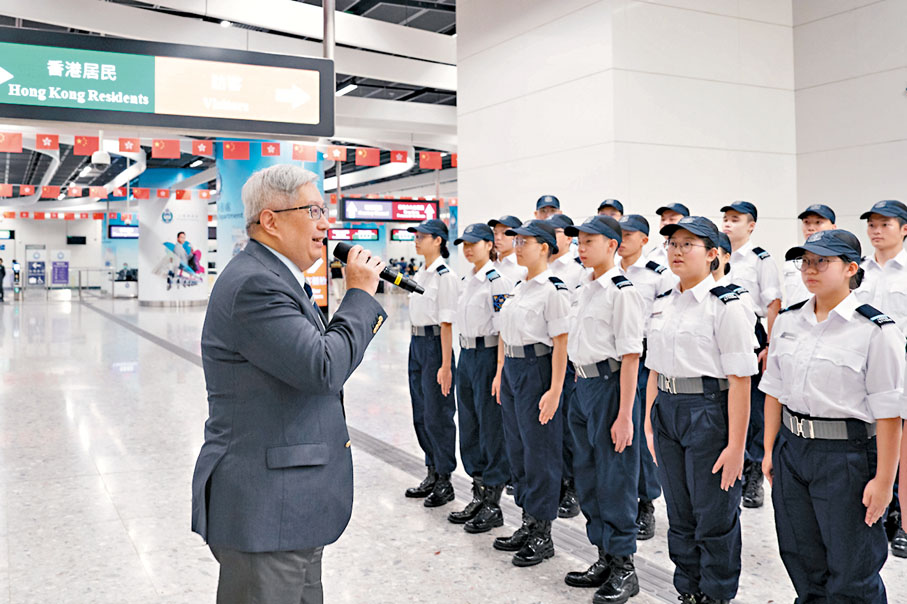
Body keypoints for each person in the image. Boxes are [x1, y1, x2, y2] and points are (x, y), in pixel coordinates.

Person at [190, 164, 387, 604]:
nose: (325, 222)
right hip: (265, 506)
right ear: (271, 220)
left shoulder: (277, 278)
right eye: (313, 209)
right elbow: (322, 368)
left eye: (326, 209)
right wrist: (359, 296)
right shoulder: (256, 284)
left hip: (292, 503)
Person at [761, 228, 905, 602]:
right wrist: (769, 451)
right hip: (792, 451)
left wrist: (885, 483)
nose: (810, 269)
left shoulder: (876, 330)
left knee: (852, 568)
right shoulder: (789, 322)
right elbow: (774, 390)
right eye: (806, 261)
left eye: (822, 261)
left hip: (847, 457)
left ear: (850, 268)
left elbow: (890, 415)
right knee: (801, 557)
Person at [643, 216, 757, 604]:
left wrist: (736, 446)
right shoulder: (663, 302)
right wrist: (647, 422)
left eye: (687, 244)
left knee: (714, 513)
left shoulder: (726, 304)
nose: (676, 251)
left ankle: (717, 593)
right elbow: (653, 369)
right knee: (679, 511)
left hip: (708, 411)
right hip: (668, 409)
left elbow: (740, 380)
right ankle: (688, 589)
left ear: (712, 254)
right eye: (672, 243)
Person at [563, 216, 644, 603]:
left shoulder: (621, 291)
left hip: (611, 388)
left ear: (612, 245)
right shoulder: (584, 287)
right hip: (582, 386)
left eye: (589, 241)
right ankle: (605, 557)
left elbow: (631, 356)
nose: (581, 247)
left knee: (615, 479)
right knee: (588, 477)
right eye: (579, 241)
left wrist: (625, 414)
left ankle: (626, 569)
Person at [491, 219, 571, 567]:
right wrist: (501, 374)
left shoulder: (553, 289)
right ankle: (528, 521)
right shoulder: (520, 286)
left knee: (540, 452)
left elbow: (561, 344)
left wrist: (555, 389)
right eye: (516, 240)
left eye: (525, 241)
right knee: (519, 450)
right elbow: (505, 334)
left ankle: (543, 533)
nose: (518, 246)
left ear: (544, 247)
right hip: (512, 370)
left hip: (538, 371)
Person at [616, 214, 678, 541]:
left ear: (644, 239)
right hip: (611, 360)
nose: (622, 239)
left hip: (643, 358)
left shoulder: (657, 276)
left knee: (641, 432)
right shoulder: (607, 273)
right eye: (619, 234)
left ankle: (645, 502)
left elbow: (663, 322)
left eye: (629, 234)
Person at [449, 223, 513, 534]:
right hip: (466, 356)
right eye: (465, 244)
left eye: (475, 243)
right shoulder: (466, 281)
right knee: (470, 424)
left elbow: (503, 330)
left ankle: (493, 502)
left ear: (490, 245)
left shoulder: (495, 282)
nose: (469, 249)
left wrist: (500, 370)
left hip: (488, 357)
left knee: (490, 427)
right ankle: (478, 492)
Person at [721, 200, 782, 509]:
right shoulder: (717, 253)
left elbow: (773, 303)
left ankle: (753, 470)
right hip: (720, 334)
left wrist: (770, 345)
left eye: (735, 219)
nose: (728, 224)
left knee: (755, 405)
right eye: (726, 218)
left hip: (752, 333)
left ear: (751, 225)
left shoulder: (759, 259)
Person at [855, 199, 907, 557]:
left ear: (904, 229)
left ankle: (903, 519)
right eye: (872, 224)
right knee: (875, 440)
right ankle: (882, 507)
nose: (875, 230)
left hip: (904, 362)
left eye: (885, 224)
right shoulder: (858, 270)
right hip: (864, 366)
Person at [403, 219, 459, 507]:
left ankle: (445, 479)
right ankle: (431, 470)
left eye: (423, 236)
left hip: (436, 346)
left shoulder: (444, 276)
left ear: (438, 240)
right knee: (421, 413)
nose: (417, 240)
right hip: (417, 344)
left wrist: (446, 365)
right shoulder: (422, 273)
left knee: (438, 414)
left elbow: (447, 322)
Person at [547, 212, 585, 518]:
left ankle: (572, 486)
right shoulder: (538, 268)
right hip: (540, 356)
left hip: (568, 354)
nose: (552, 236)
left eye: (557, 231)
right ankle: (555, 480)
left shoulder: (576, 270)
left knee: (568, 425)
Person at [783, 204, 836, 307]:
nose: (811, 228)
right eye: (806, 222)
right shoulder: (792, 258)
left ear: (833, 227)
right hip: (795, 319)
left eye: (818, 222)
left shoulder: (838, 260)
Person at [488, 215, 528, 284]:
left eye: (504, 233)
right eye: (495, 233)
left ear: (516, 236)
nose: (498, 237)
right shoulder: (490, 264)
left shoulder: (524, 267)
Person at [648, 203, 690, 267]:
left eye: (672, 219)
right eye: (663, 219)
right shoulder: (654, 253)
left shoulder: (694, 251)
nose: (665, 223)